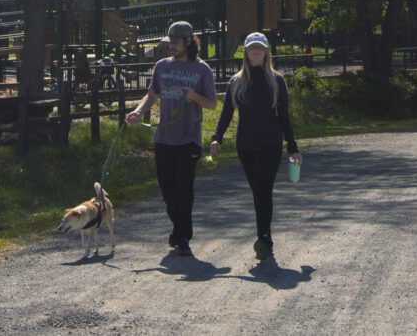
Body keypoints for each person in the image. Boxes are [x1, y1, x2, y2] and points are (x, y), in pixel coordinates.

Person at [125, 20, 217, 256]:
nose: (172, 47)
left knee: (184, 189)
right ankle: (178, 229)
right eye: (170, 43)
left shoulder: (202, 69)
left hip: (189, 138)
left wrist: (191, 95)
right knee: (168, 190)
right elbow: (151, 95)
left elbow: (212, 104)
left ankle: (184, 236)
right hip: (163, 138)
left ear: (188, 41)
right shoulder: (161, 66)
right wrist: (138, 111)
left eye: (176, 43)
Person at [210, 32, 303, 261]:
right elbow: (226, 114)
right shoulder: (236, 81)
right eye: (252, 47)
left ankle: (264, 239)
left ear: (266, 52)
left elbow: (284, 117)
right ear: (246, 52)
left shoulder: (276, 80)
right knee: (258, 192)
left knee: (263, 189)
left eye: (260, 47)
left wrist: (292, 147)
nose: (256, 50)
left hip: (271, 143)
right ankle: (264, 236)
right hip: (246, 144)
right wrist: (217, 137)